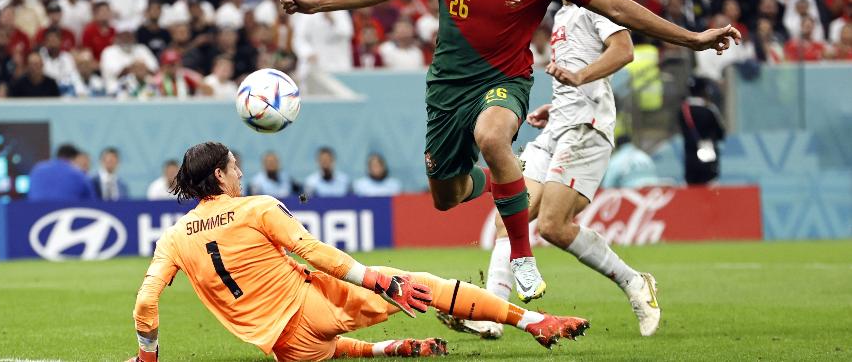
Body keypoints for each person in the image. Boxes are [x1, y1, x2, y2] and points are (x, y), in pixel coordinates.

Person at [280, 0, 741, 303]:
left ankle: (522, 254)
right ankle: (501, 177)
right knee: (447, 196)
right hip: (446, 89)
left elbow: (618, 8)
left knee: (491, 135)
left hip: (506, 80)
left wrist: (694, 38)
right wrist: (316, 3)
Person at [128, 142, 590, 362]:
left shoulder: (173, 236)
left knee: (324, 348)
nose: (240, 172)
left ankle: (391, 349)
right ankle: (534, 321)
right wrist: (373, 278)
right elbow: (311, 250)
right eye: (234, 166)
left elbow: (145, 304)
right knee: (422, 287)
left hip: (279, 345)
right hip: (313, 304)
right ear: (220, 177)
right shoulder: (256, 208)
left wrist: (148, 358)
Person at [440, 0, 658, 340]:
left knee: (554, 226)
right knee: (513, 217)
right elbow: (570, 76)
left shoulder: (597, 4)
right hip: (558, 126)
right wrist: (553, 107)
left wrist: (580, 77)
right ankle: (492, 316)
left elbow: (624, 50)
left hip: (586, 128)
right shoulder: (560, 15)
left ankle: (633, 281)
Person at [678, 77, 725, 185]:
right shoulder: (709, 109)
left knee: (691, 188)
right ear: (704, 90)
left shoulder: (683, 110)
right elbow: (721, 133)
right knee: (709, 183)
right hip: (708, 151)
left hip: (690, 155)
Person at [28, 143, 94, 201]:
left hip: (37, 212)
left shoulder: (37, 169)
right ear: (73, 158)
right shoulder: (78, 174)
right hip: (65, 212)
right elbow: (91, 202)